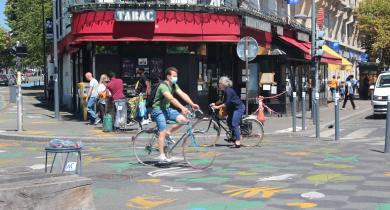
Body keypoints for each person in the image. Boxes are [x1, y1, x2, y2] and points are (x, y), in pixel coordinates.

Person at [151, 67, 200, 162]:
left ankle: (168, 133)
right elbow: (171, 99)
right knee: (162, 131)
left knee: (183, 120)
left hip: (167, 109)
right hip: (158, 110)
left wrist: (192, 104)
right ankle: (161, 155)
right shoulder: (163, 86)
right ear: (168, 76)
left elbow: (182, 94)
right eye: (174, 76)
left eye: (176, 76)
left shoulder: (173, 85)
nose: (175, 78)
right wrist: (182, 108)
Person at [211, 76, 245, 149]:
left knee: (234, 123)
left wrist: (217, 107)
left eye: (219, 83)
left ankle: (238, 140)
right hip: (232, 109)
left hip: (238, 108)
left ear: (223, 84)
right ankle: (234, 135)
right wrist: (215, 103)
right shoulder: (225, 91)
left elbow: (227, 103)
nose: (218, 85)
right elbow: (222, 100)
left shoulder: (228, 91)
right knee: (229, 122)